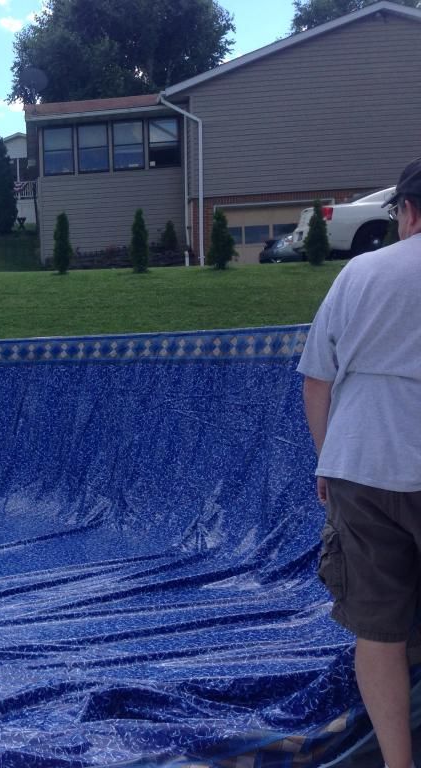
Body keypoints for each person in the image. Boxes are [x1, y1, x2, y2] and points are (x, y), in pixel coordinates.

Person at [299, 157, 421, 768]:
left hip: (362, 465)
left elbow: (316, 382)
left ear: (407, 212)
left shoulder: (360, 273)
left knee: (379, 632)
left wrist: (328, 462)